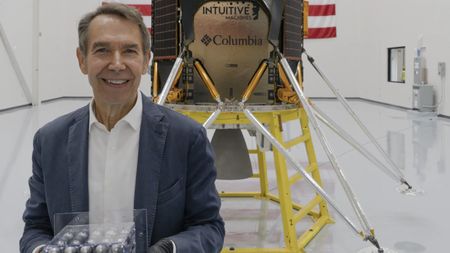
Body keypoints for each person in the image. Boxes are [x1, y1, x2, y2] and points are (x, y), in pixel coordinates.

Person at [19, 3, 225, 253]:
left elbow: (208, 226)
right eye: (102, 50)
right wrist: (42, 250)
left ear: (146, 60)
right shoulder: (50, 141)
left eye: (129, 51)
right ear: (82, 60)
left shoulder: (186, 137)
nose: (116, 64)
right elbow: (36, 227)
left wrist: (168, 249)